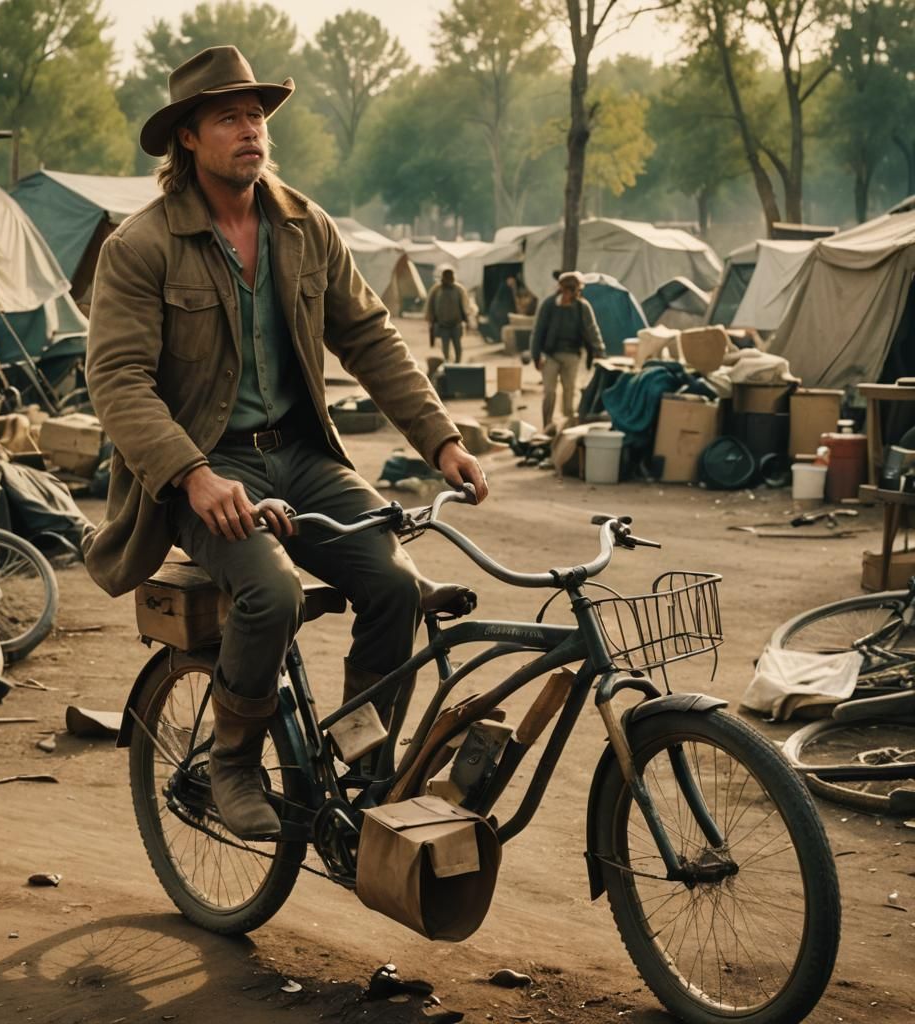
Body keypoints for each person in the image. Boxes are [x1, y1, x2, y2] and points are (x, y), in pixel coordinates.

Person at [83, 45, 488, 841]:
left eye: (257, 116)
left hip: (301, 455)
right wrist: (193, 477)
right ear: (188, 140)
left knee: (397, 585)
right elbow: (119, 383)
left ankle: (360, 757)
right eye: (228, 117)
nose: (250, 130)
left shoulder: (305, 226)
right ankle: (232, 765)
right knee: (271, 593)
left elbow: (370, 338)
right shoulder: (141, 246)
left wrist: (443, 440)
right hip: (204, 465)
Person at [530, 271, 605, 434]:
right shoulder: (549, 305)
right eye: (569, 290)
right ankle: (547, 426)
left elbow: (592, 330)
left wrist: (600, 351)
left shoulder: (582, 307)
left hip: (572, 354)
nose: (572, 294)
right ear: (562, 289)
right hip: (551, 355)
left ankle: (569, 428)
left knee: (570, 392)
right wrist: (536, 355)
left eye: (575, 290)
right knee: (549, 392)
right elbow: (538, 331)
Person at [424, 267, 470, 363]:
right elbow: (430, 305)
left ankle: (457, 364)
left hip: (456, 324)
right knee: (445, 347)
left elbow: (465, 305)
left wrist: (467, 319)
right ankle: (447, 365)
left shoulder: (459, 290)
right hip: (443, 325)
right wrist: (431, 320)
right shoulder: (436, 290)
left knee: (457, 346)